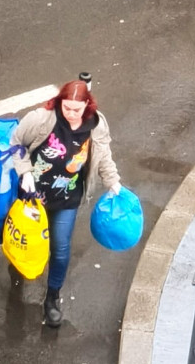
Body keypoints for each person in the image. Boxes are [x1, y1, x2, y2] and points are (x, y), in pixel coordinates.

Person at [8, 79, 122, 328]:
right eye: (66, 108)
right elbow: (16, 143)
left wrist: (113, 182)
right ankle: (17, 260)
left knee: (60, 249)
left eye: (76, 109)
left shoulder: (96, 126)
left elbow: (104, 157)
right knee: (28, 240)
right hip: (33, 197)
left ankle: (52, 298)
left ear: (87, 106)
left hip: (67, 199)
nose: (70, 113)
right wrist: (25, 172)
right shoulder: (41, 119)